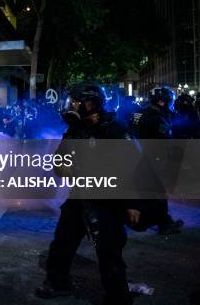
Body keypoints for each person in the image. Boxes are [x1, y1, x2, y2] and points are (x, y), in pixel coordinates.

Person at [36, 84, 139, 304]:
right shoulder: (75, 129)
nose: (71, 106)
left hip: (107, 201)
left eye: (75, 101)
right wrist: (62, 167)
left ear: (91, 103)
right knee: (62, 242)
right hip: (79, 196)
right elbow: (59, 159)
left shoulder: (115, 130)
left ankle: (118, 297)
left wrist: (133, 204)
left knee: (109, 252)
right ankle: (57, 283)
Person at [131, 87, 184, 235]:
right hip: (152, 158)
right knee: (158, 192)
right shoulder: (158, 118)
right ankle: (163, 223)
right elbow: (165, 142)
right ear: (161, 102)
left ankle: (150, 221)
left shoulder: (138, 113)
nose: (170, 105)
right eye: (168, 102)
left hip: (137, 155)